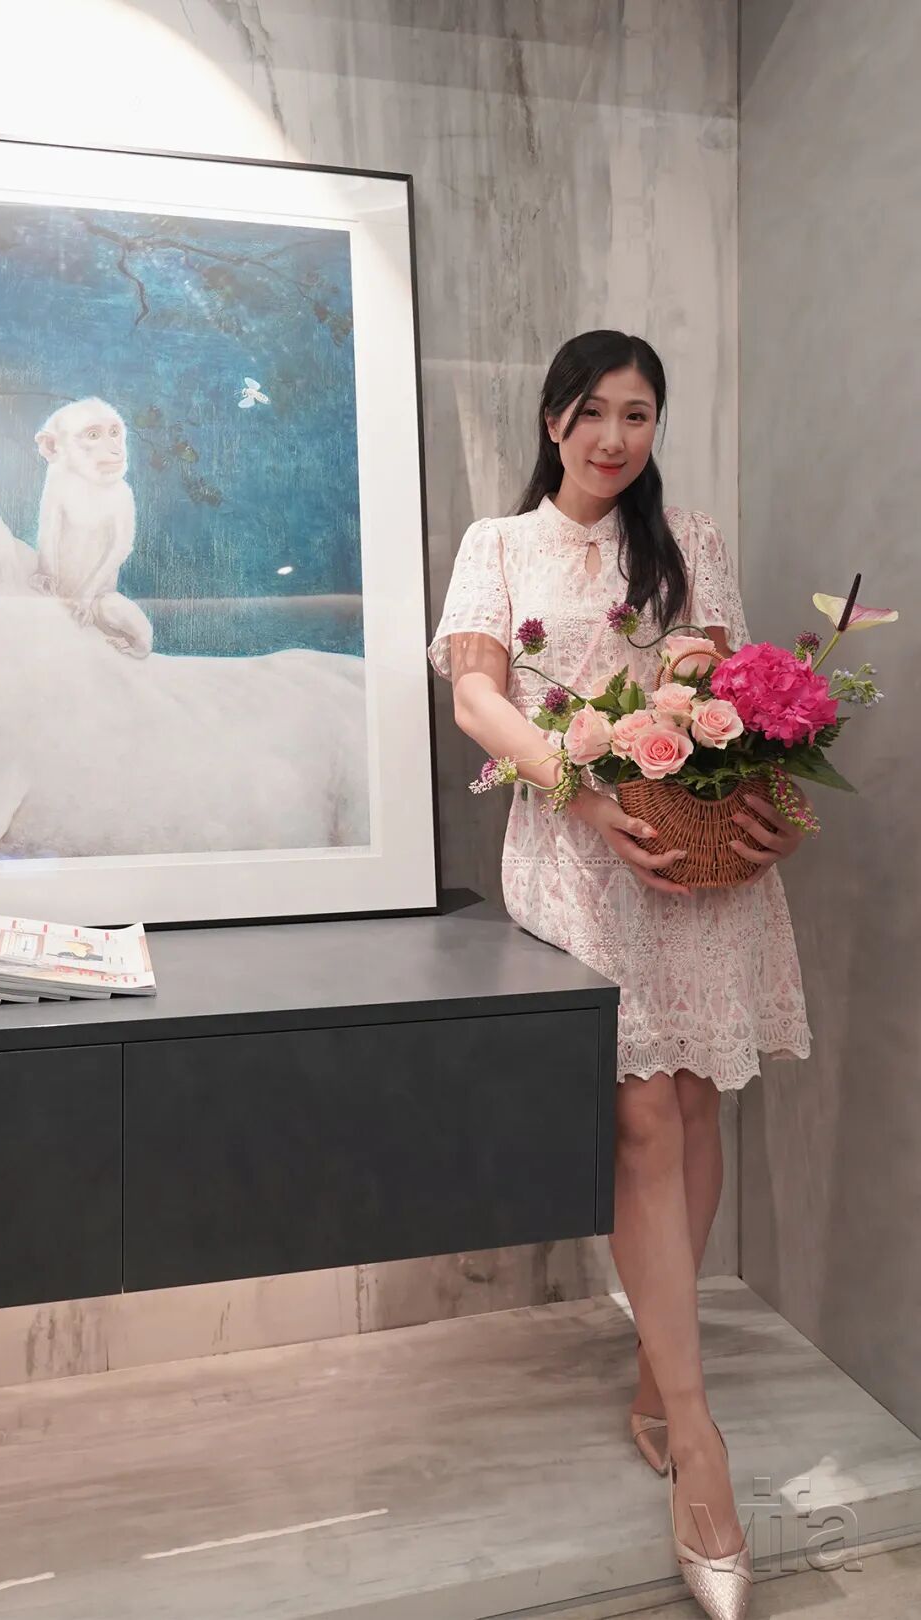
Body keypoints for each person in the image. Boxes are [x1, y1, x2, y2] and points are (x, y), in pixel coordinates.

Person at [427, 329, 814, 1620]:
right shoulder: (498, 545)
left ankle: (660, 1374)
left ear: (656, 426)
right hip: (579, 855)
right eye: (591, 411)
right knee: (641, 1113)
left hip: (693, 859)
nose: (613, 437)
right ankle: (699, 1442)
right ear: (553, 420)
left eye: (637, 414)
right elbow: (479, 701)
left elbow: (727, 689)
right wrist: (585, 793)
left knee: (695, 1105)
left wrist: (760, 798)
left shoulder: (686, 540)